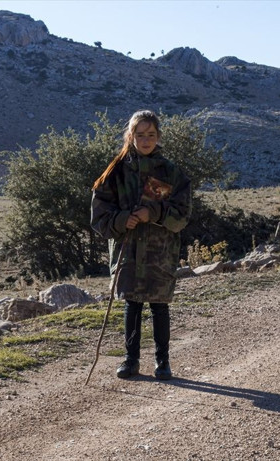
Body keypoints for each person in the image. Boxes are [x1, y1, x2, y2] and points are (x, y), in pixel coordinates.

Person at [90, 110, 192, 380]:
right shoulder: (115, 172)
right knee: (132, 304)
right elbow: (99, 216)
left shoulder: (171, 172)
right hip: (128, 252)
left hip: (160, 251)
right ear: (130, 136)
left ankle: (163, 362)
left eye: (151, 135)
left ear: (158, 137)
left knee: (160, 305)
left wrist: (154, 213)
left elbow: (182, 214)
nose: (146, 140)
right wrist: (124, 219)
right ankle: (130, 360)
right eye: (140, 135)